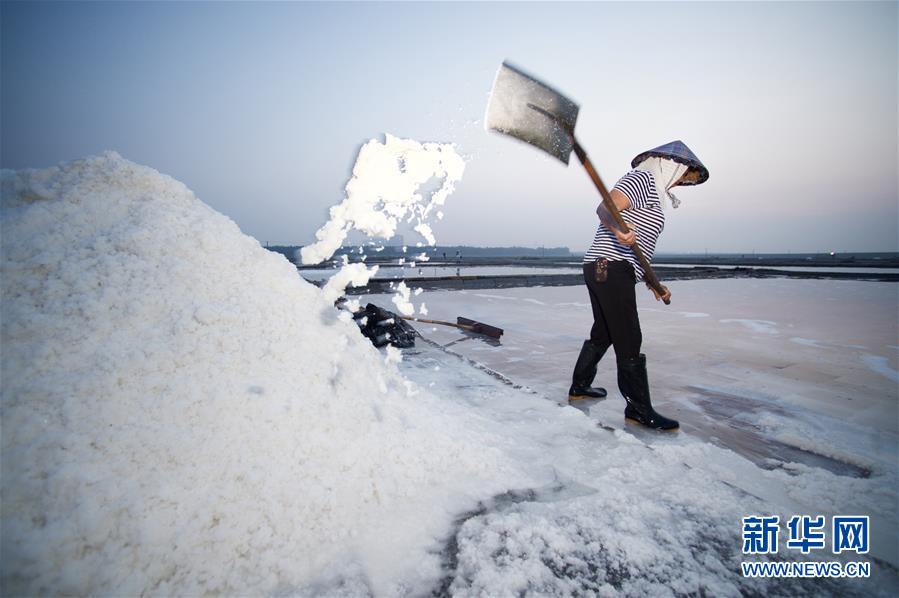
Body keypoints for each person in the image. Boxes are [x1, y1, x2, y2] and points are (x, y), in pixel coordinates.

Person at [568, 141, 709, 430]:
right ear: (670, 166)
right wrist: (619, 230)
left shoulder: (654, 193)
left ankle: (580, 386)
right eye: (682, 175)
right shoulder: (641, 179)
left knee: (605, 331)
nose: (681, 181)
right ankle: (638, 409)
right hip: (609, 265)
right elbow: (605, 209)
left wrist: (654, 284)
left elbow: (640, 247)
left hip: (605, 266)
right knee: (629, 337)